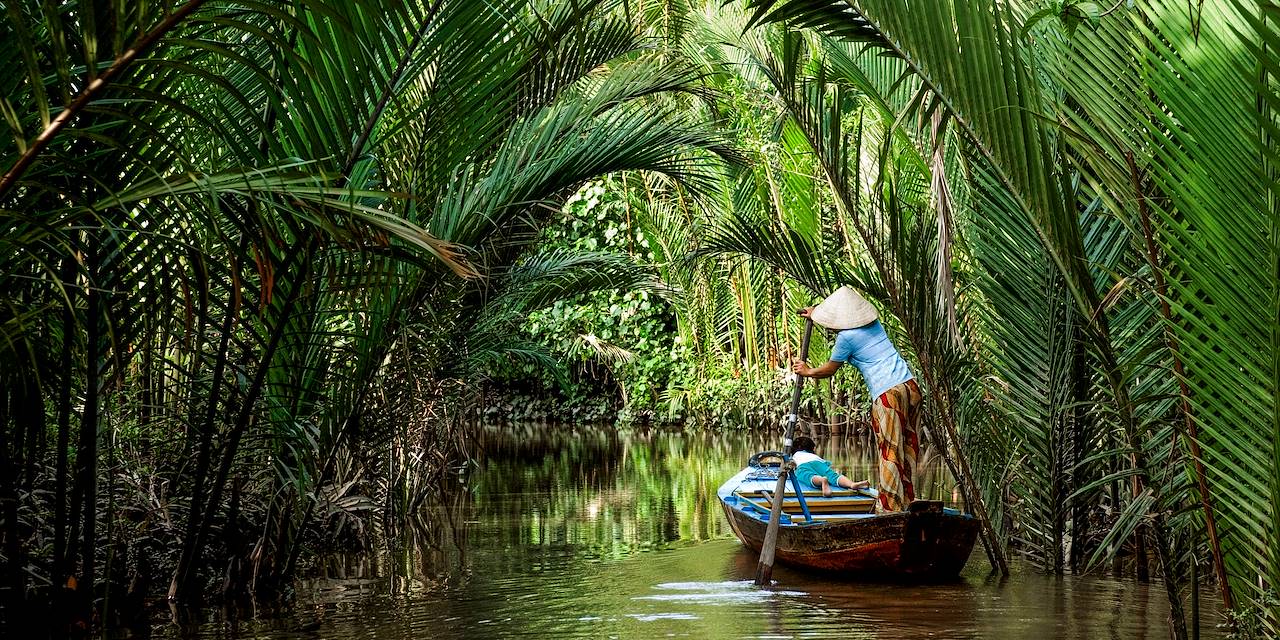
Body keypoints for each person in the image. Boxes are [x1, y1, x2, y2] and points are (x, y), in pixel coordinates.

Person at [790, 286, 923, 512]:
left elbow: (829, 370)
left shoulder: (845, 338)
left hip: (888, 394)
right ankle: (908, 502)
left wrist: (807, 371)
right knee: (908, 447)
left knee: (889, 451)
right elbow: (836, 321)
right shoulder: (874, 324)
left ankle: (890, 509)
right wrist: (815, 314)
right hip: (910, 387)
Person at [791, 436, 869, 497]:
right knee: (834, 476)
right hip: (819, 462)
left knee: (808, 476)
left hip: (802, 464)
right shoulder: (814, 456)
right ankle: (851, 484)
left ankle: (822, 480)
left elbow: (791, 465)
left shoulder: (795, 455)